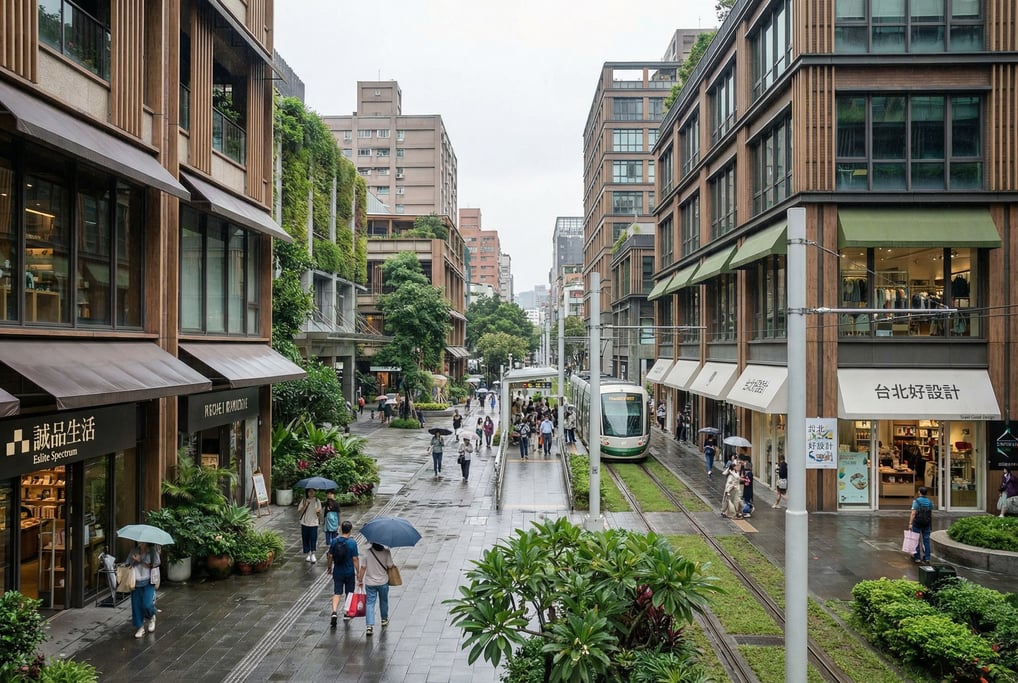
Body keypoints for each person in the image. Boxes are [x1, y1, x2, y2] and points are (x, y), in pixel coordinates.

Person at [327, 520, 360, 627]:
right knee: (349, 593)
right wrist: (358, 572)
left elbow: (330, 556)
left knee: (337, 592)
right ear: (350, 530)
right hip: (349, 572)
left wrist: (329, 567)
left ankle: (334, 612)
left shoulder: (334, 541)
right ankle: (346, 613)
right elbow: (355, 559)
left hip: (338, 571)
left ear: (341, 529)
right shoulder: (352, 543)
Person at [125, 542, 160, 638]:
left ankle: (152, 616)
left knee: (147, 604)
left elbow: (156, 565)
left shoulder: (152, 552)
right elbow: (127, 563)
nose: (141, 543)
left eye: (143, 541)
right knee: (136, 605)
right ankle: (140, 627)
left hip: (149, 581)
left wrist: (141, 560)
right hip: (135, 581)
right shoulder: (134, 550)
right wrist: (133, 561)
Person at [357, 542, 392, 636]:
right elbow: (390, 565)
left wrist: (360, 580)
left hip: (370, 582)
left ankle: (369, 626)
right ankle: (384, 619)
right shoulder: (386, 552)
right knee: (384, 601)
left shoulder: (366, 553)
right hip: (383, 581)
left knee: (370, 603)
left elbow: (363, 568)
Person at [909, 486, 934, 563]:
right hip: (926, 523)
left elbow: (913, 513)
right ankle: (927, 558)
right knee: (926, 540)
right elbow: (930, 513)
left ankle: (917, 558)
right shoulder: (929, 502)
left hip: (917, 522)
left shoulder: (916, 501)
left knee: (916, 539)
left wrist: (910, 523)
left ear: (919, 492)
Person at [297, 488, 322, 563]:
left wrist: (318, 511)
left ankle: (313, 553)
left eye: (312, 491)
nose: (311, 493)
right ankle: (308, 553)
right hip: (305, 522)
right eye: (309, 491)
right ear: (307, 492)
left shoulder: (317, 500)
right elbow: (300, 511)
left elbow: (319, 512)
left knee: (313, 538)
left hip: (314, 523)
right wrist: (305, 505)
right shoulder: (304, 500)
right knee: (305, 538)